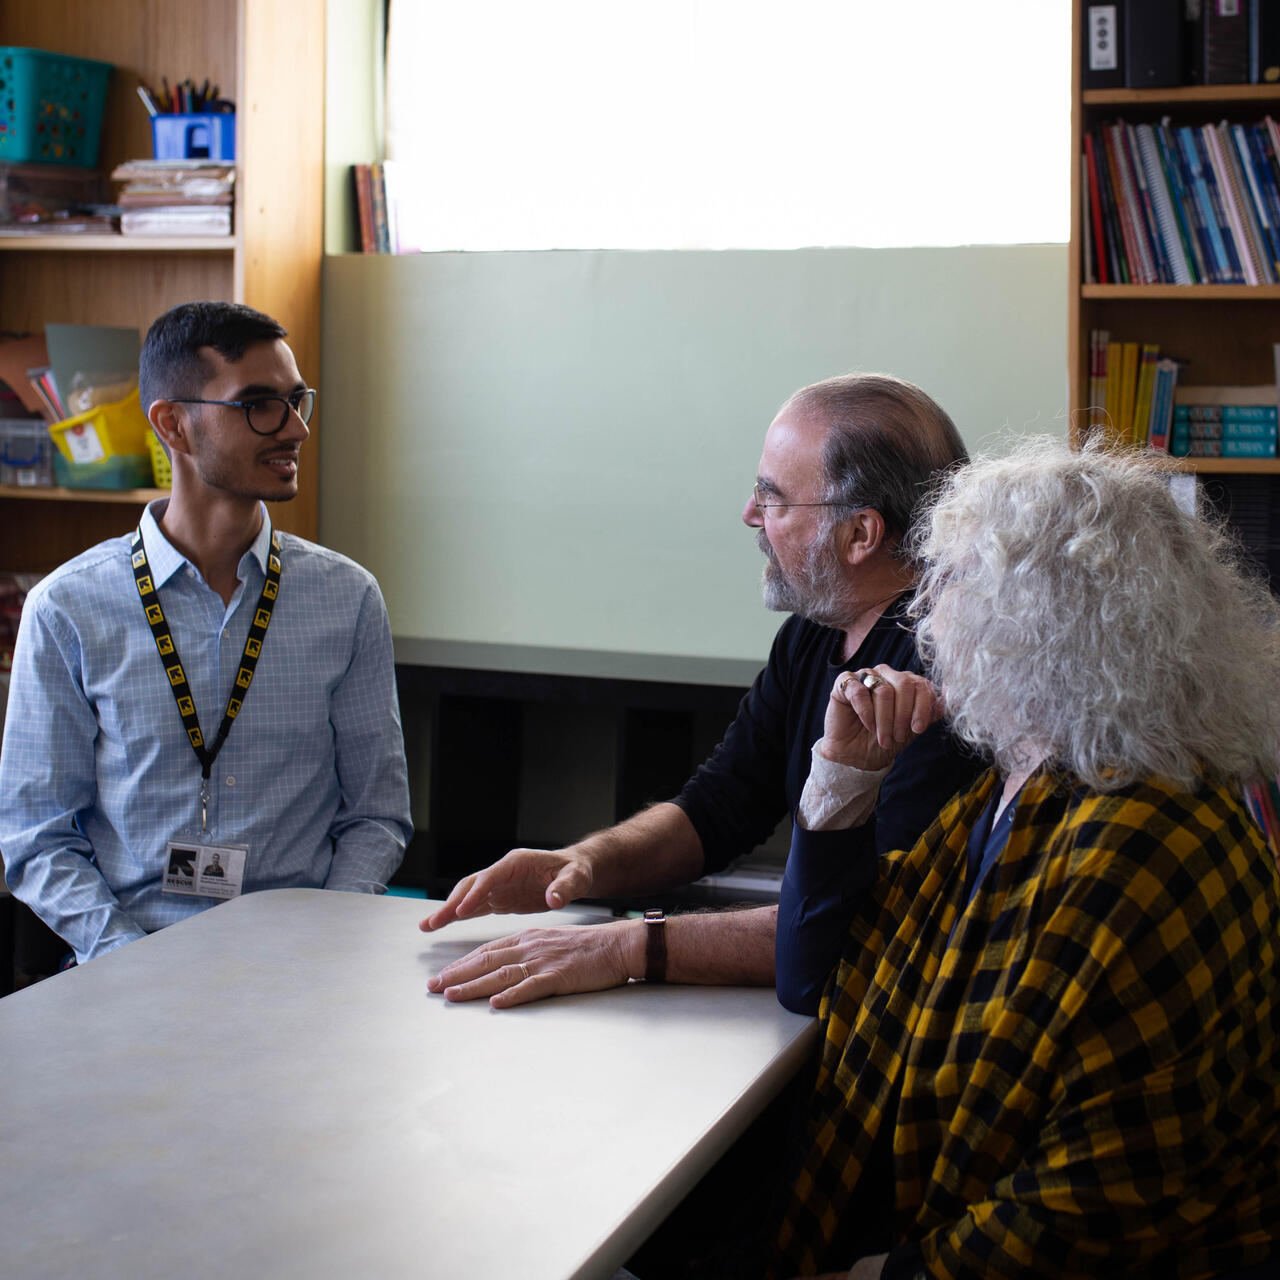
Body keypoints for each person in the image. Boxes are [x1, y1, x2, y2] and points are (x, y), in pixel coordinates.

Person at [770, 437, 1280, 1278]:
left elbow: (1086, 1210)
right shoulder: (1024, 784)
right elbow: (817, 976)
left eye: (951, 583)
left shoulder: (1150, 837)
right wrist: (844, 779)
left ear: (1041, 618)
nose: (922, 614)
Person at [423, 373, 982, 1007]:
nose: (750, 515)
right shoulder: (815, 631)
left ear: (861, 534)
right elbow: (719, 807)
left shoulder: (940, 670)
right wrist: (581, 863)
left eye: (771, 498)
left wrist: (624, 946)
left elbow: (863, 923)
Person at [0, 301, 412, 965]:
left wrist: (325, 941)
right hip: (125, 973)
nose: (296, 429)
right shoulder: (66, 609)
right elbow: (36, 836)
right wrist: (129, 964)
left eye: (296, 399)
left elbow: (376, 816)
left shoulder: (348, 599)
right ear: (174, 424)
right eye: (258, 404)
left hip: (300, 972)